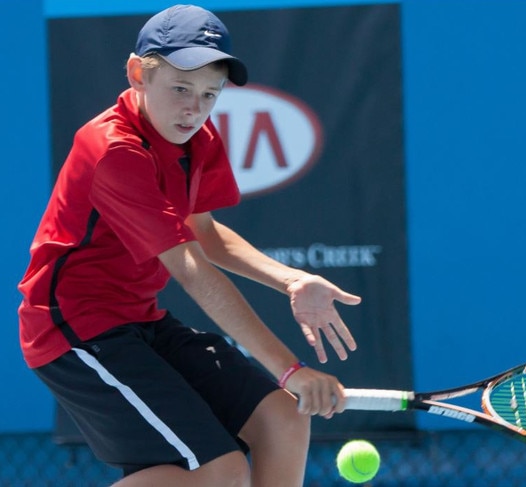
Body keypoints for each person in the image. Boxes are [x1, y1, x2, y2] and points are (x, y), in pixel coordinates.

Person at [18, 5, 361, 486]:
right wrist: (289, 369)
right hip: (75, 331)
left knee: (283, 417)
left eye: (208, 95)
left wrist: (292, 279)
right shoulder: (114, 150)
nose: (194, 108)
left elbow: (205, 233)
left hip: (140, 319)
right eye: (181, 88)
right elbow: (191, 267)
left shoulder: (196, 135)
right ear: (138, 74)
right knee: (221, 471)